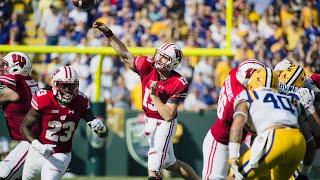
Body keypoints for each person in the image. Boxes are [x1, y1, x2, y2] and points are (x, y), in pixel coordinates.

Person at [93, 21, 200, 180]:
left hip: (164, 123)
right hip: (149, 119)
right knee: (170, 163)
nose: (158, 59)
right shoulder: (147, 65)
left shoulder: (178, 82)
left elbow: (168, 115)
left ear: (173, 63)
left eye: (164, 58)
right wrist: (109, 34)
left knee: (154, 162)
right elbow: (125, 55)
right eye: (160, 55)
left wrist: (154, 95)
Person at [20, 66, 107, 180]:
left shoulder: (80, 102)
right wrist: (38, 145)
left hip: (61, 154)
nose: (67, 89)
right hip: (38, 151)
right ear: (55, 85)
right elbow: (24, 127)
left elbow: (102, 134)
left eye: (71, 85)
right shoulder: (44, 99)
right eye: (64, 85)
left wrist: (102, 129)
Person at [228, 67, 309, 179]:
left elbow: (238, 123)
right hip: (299, 142)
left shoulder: (248, 95)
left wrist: (233, 155)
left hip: (275, 138)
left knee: (233, 176)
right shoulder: (289, 98)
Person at [0, 52, 40, 180]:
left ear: (16, 67)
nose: (2, 68)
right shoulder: (30, 81)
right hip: (31, 140)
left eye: (6, 65)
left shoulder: (14, 80)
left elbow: (12, 94)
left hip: (31, 142)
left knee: (3, 174)